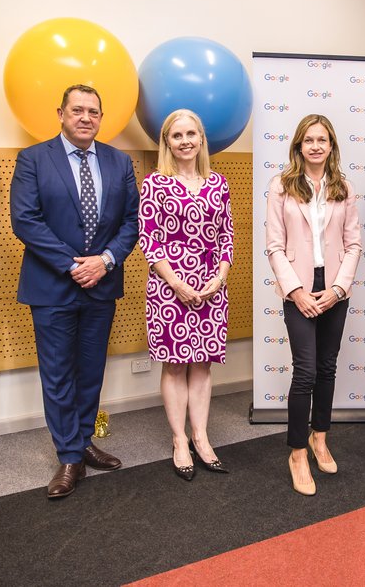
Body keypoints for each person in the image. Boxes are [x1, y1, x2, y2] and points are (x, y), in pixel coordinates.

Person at [10, 84, 140, 499]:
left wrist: (104, 261)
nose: (86, 117)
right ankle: (68, 456)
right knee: (58, 374)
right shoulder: (34, 159)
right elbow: (26, 221)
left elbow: (131, 223)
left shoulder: (119, 162)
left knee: (90, 371)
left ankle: (83, 441)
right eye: (78, 110)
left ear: (101, 118)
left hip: (101, 285)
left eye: (93, 112)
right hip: (52, 286)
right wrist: (72, 265)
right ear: (61, 114)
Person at [266, 114, 362, 496]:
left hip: (334, 288)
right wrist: (296, 291)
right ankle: (296, 452)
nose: (316, 146)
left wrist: (338, 289)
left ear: (331, 145)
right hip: (299, 287)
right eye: (309, 140)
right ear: (298, 146)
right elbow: (274, 245)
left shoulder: (344, 187)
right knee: (305, 371)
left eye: (323, 139)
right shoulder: (281, 186)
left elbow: (354, 244)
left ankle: (319, 437)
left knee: (327, 367)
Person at [139, 109, 234, 481]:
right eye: (176, 136)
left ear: (201, 139)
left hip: (211, 287)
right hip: (169, 287)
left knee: (203, 365)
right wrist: (177, 283)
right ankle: (180, 440)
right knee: (176, 365)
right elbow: (150, 241)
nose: (185, 141)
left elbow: (226, 235)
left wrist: (221, 277)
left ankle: (202, 436)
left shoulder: (218, 183)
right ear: (167, 143)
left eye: (191, 134)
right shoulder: (154, 184)